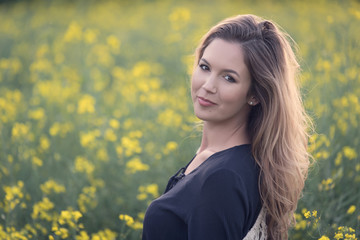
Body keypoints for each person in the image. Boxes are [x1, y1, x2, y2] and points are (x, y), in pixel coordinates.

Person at [142, 14, 311, 240]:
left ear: (254, 94)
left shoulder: (222, 178)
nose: (208, 85)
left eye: (228, 78)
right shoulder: (234, 161)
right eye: (205, 67)